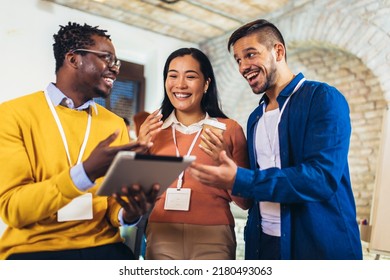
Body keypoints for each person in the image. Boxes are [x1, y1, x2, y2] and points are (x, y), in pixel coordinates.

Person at [189, 19, 363, 260]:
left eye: (251, 54)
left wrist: (241, 178)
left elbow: (321, 177)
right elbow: (251, 191)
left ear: (278, 51)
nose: (243, 67)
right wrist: (228, 165)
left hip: (318, 247)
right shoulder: (255, 118)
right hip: (263, 246)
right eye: (238, 60)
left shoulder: (323, 98)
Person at [0, 22, 159, 260]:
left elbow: (115, 206)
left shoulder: (114, 124)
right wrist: (84, 174)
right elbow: (15, 210)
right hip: (37, 250)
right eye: (107, 58)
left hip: (104, 249)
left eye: (117, 62)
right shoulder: (11, 114)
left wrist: (128, 213)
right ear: (73, 59)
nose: (114, 69)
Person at [138, 47, 251, 260]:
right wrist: (140, 149)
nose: (180, 84)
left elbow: (246, 202)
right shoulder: (152, 130)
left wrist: (225, 161)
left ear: (206, 84)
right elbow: (135, 197)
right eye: (173, 76)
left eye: (190, 76)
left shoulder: (229, 129)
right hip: (162, 233)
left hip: (214, 235)